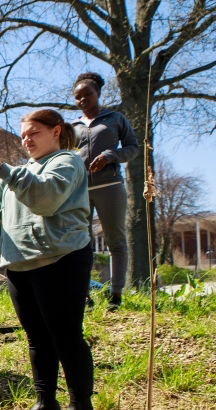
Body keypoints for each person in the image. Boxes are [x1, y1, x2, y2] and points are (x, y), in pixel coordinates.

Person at [0, 109, 96, 410]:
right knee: (37, 338)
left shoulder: (67, 162)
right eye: (23, 135)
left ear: (56, 131)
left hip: (61, 260)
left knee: (65, 335)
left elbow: (45, 199)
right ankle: (47, 403)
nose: (26, 139)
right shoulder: (19, 172)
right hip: (19, 265)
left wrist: (2, 169)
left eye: (34, 133)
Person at [72, 72, 140, 310]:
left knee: (115, 240)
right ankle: (84, 295)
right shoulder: (72, 127)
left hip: (110, 186)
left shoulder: (115, 119)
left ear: (97, 93)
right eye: (78, 97)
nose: (82, 100)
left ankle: (116, 295)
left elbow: (133, 147)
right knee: (81, 242)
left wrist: (111, 155)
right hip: (79, 190)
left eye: (87, 94)